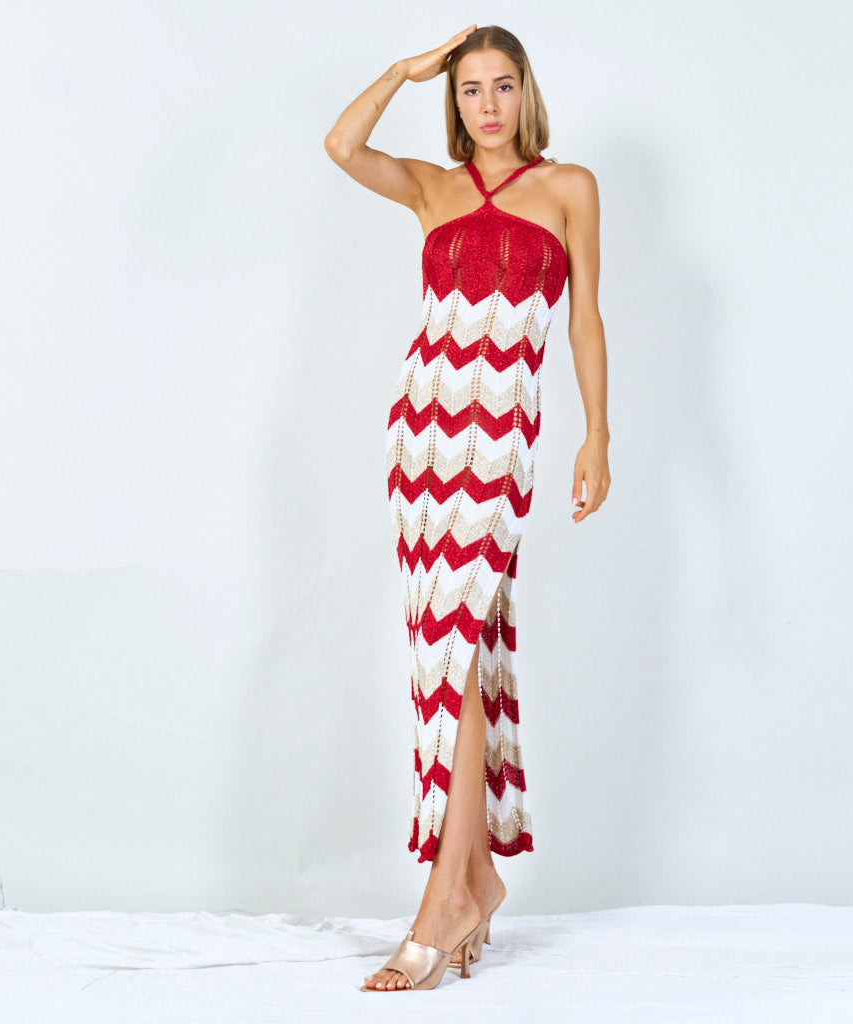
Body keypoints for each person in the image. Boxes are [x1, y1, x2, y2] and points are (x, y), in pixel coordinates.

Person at [325, 24, 610, 992]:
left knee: (460, 651)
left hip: (498, 441)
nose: (488, 105)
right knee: (450, 658)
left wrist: (597, 435)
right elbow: (341, 145)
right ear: (454, 103)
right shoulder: (431, 188)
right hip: (422, 436)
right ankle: (467, 881)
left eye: (502, 86)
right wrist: (404, 71)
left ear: (526, 91)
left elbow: (583, 319)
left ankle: (451, 895)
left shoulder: (568, 187)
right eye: (470, 89)